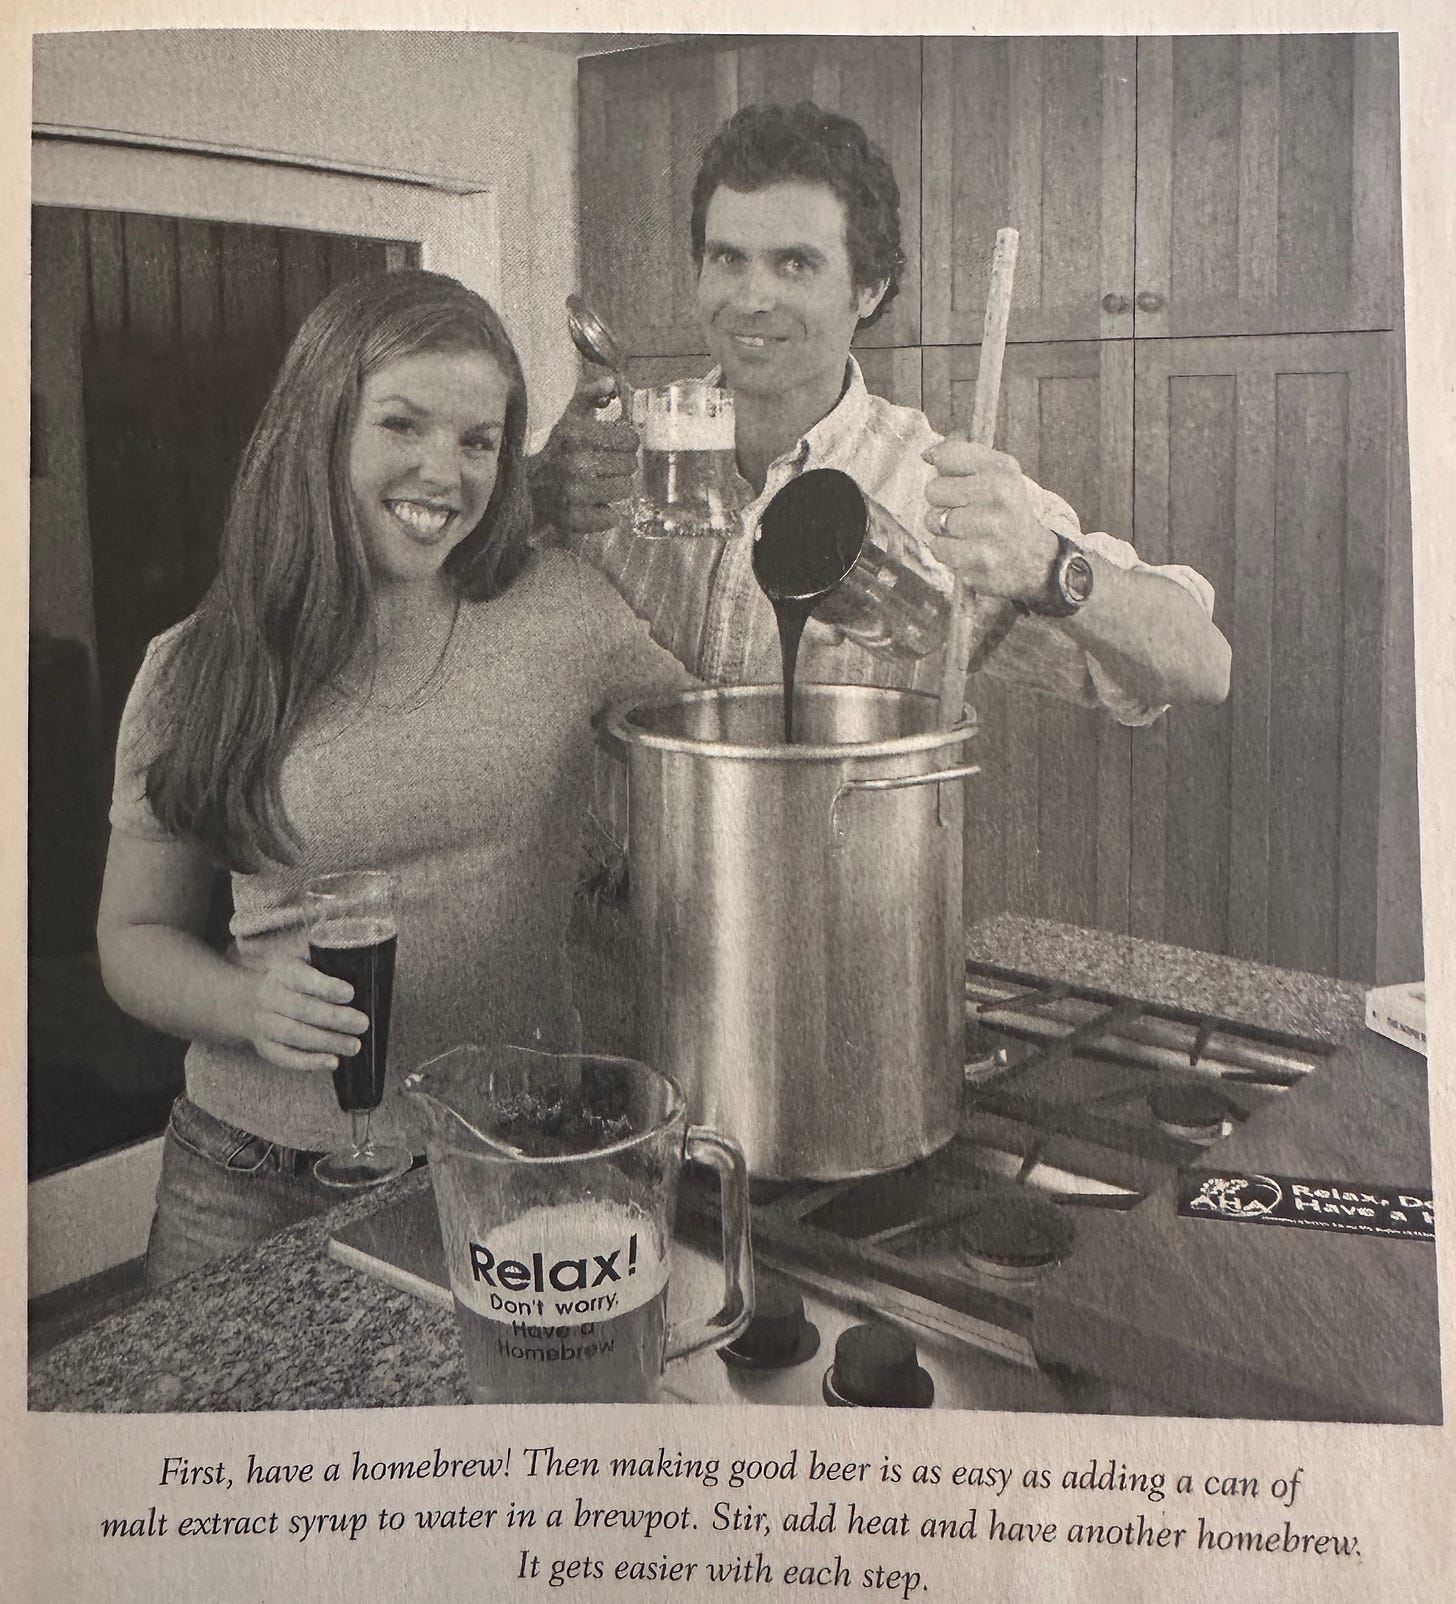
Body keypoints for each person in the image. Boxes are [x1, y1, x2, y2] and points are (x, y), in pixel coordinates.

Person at [96, 269, 686, 1287]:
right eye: (402, 425)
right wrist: (247, 1004)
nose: (443, 473)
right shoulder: (198, 665)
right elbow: (131, 937)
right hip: (248, 1175)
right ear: (319, 428)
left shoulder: (568, 614)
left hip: (508, 1155)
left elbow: (731, 744)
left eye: (477, 440)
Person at [533, 101, 1232, 719]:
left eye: (795, 264)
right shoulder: (607, 456)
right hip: (638, 862)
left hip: (850, 855)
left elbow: (1204, 667)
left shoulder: (933, 488)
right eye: (727, 259)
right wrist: (529, 495)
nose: (750, 298)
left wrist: (1045, 565)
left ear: (868, 289)